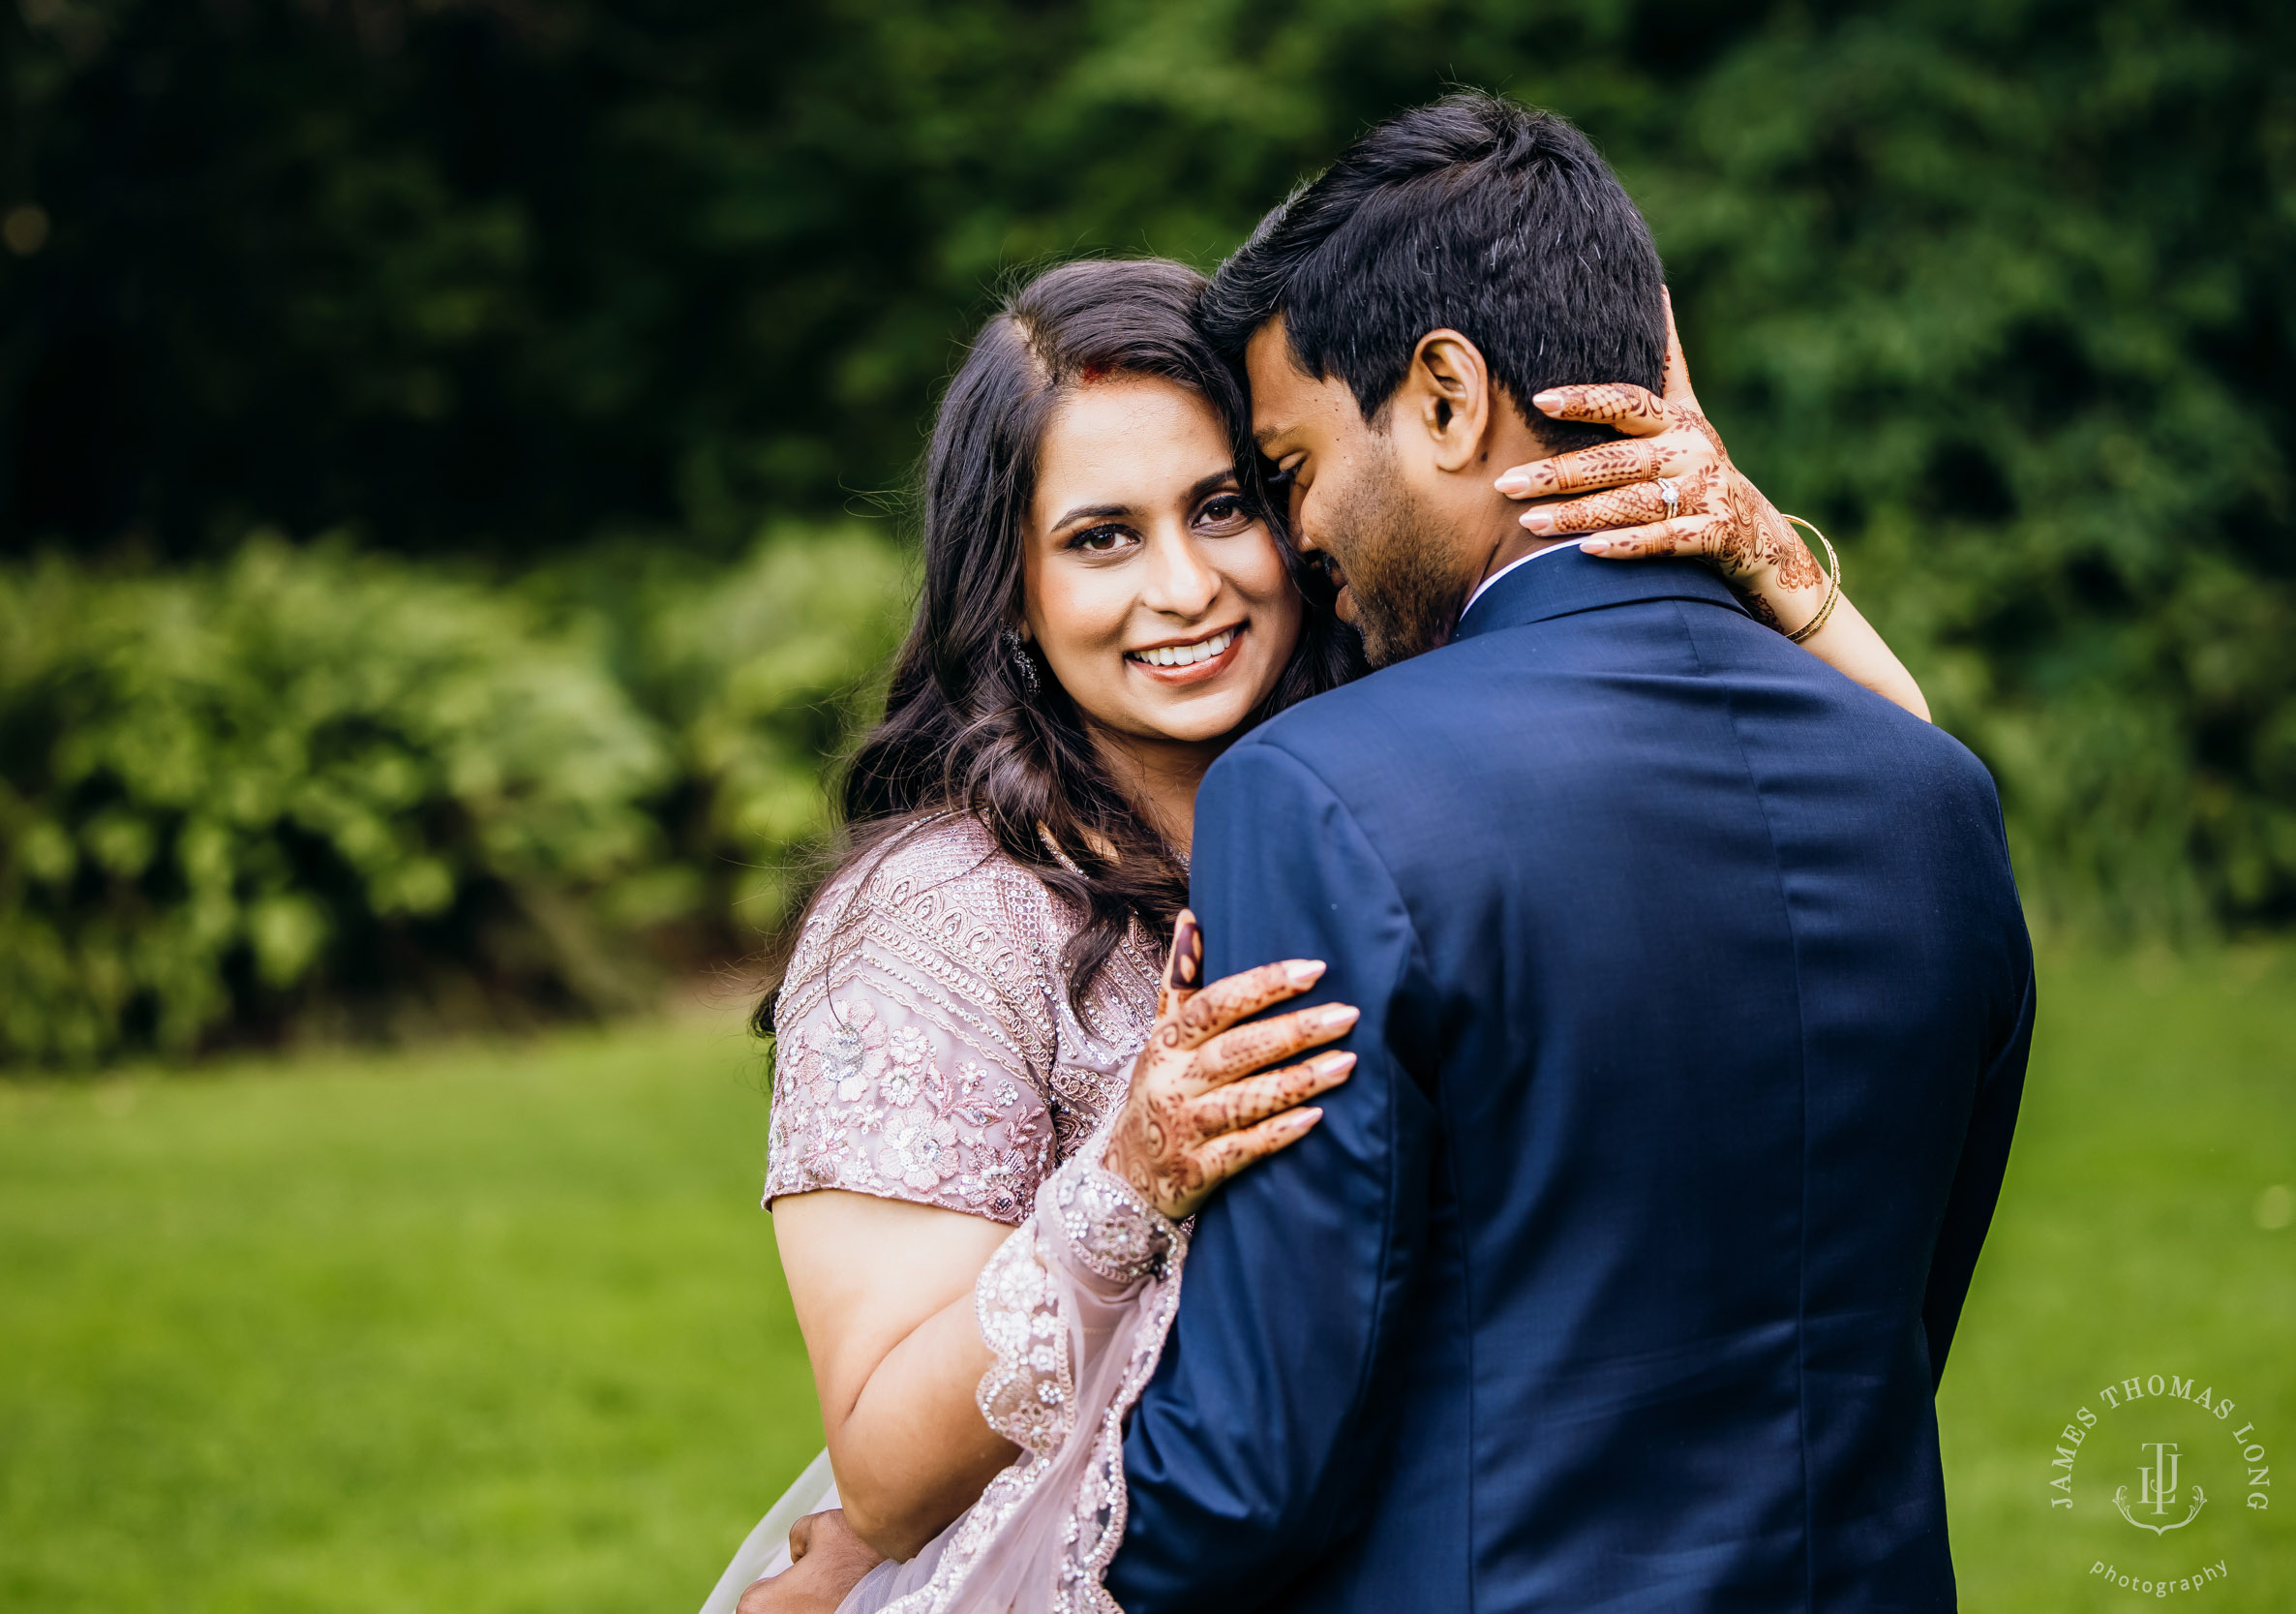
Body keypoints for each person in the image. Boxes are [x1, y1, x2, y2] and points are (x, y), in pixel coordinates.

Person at [716, 217, 1940, 1611]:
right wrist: (1128, 1180)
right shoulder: (934, 924)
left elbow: (1900, 794)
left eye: (1225, 504)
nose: (1185, 589)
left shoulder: (1395, 775)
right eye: (1103, 538)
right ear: (1011, 590)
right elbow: (877, 1470)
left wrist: (1750, 538)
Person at [1077, 93, 2037, 1612]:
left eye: (1294, 462)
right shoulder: (1932, 799)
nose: (1299, 542)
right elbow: (1890, 1329)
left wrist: (966, 1556)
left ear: (1446, 400)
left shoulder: (1319, 797)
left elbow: (1254, 1467)